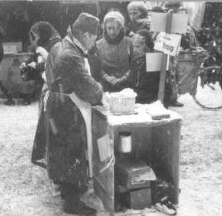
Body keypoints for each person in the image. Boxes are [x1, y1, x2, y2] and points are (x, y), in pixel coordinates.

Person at [44, 13, 103, 215]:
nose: (95, 40)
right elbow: (87, 87)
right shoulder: (71, 55)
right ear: (85, 34)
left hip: (59, 103)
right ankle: (71, 202)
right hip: (68, 107)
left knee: (62, 151)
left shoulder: (61, 45)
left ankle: (70, 189)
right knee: (73, 150)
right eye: (94, 36)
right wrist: (101, 93)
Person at [30, 21, 62, 166]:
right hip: (48, 85)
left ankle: (45, 153)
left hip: (53, 87)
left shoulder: (55, 43)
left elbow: (54, 64)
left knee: (50, 119)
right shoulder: (48, 42)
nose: (34, 39)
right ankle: (45, 152)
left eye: (36, 35)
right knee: (46, 118)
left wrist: (38, 62)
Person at [130, 30, 172, 106]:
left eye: (138, 47)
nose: (134, 50)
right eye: (134, 46)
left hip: (152, 102)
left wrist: (158, 104)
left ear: (147, 45)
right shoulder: (135, 60)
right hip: (137, 101)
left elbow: (167, 88)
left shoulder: (156, 59)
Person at [96, 10, 134, 92]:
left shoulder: (129, 42)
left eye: (116, 28)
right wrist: (108, 78)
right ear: (105, 28)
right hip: (105, 85)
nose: (112, 32)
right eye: (109, 28)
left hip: (126, 85)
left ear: (121, 28)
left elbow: (133, 64)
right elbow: (96, 66)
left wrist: (124, 78)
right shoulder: (98, 45)